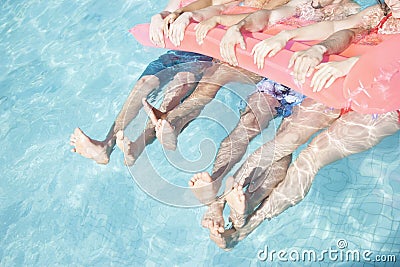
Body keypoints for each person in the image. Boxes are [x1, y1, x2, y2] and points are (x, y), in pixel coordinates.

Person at [209, 0, 400, 248]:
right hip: (338, 86)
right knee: (284, 141)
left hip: (382, 107)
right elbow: (338, 26)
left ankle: (245, 228)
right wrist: (296, 39)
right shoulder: (380, 14)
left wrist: (351, 64)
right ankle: (227, 201)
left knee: (311, 158)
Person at [69, 0, 216, 164]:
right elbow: (167, 12)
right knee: (144, 84)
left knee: (175, 93)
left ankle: (138, 145)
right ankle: (106, 145)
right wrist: (157, 17)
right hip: (176, 53)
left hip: (201, 57)